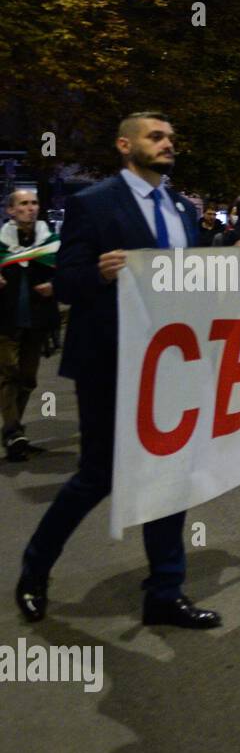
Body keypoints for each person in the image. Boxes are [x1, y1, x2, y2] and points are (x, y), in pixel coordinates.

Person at [15, 112, 219, 628]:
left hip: (169, 360)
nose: (169, 143)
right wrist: (100, 274)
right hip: (110, 359)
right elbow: (64, 282)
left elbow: (192, 277)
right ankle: (34, 571)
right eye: (157, 136)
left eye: (172, 137)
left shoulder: (180, 208)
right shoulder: (93, 203)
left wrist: (232, 258)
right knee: (99, 475)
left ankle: (165, 591)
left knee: (170, 476)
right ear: (125, 145)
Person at [0, 189, 60, 462]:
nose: (30, 208)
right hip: (5, 320)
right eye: (23, 204)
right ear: (10, 210)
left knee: (28, 378)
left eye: (34, 203)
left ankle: (13, 432)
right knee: (8, 373)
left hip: (37, 321)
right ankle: (13, 431)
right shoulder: (1, 243)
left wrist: (55, 286)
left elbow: (67, 272)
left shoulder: (50, 243)